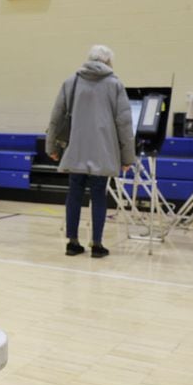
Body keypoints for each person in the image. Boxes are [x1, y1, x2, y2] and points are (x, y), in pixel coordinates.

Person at [46, 45, 135, 258]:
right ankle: (97, 244)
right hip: (103, 152)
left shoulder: (71, 82)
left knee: (74, 194)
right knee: (99, 195)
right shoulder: (115, 85)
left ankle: (72, 242)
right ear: (108, 62)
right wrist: (127, 156)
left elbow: (56, 117)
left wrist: (51, 146)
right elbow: (124, 123)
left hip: (76, 149)